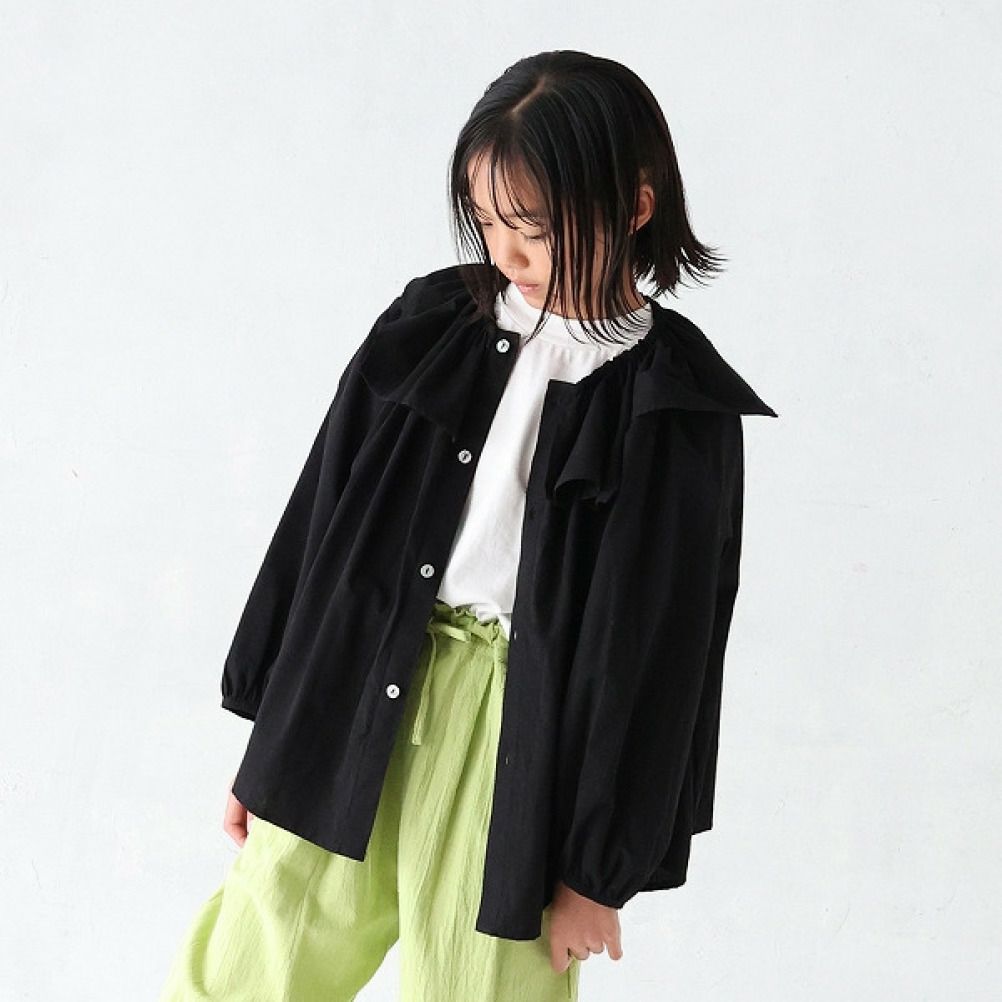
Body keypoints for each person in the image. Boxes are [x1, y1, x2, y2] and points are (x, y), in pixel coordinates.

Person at [159, 49, 777, 1001]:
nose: (506, 253)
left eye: (533, 228)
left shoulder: (671, 407)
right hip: (360, 678)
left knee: (478, 981)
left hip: (517, 726)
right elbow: (321, 517)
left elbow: (660, 655)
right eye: (487, 221)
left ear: (635, 208)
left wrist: (595, 873)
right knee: (257, 958)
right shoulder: (430, 320)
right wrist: (274, 730)